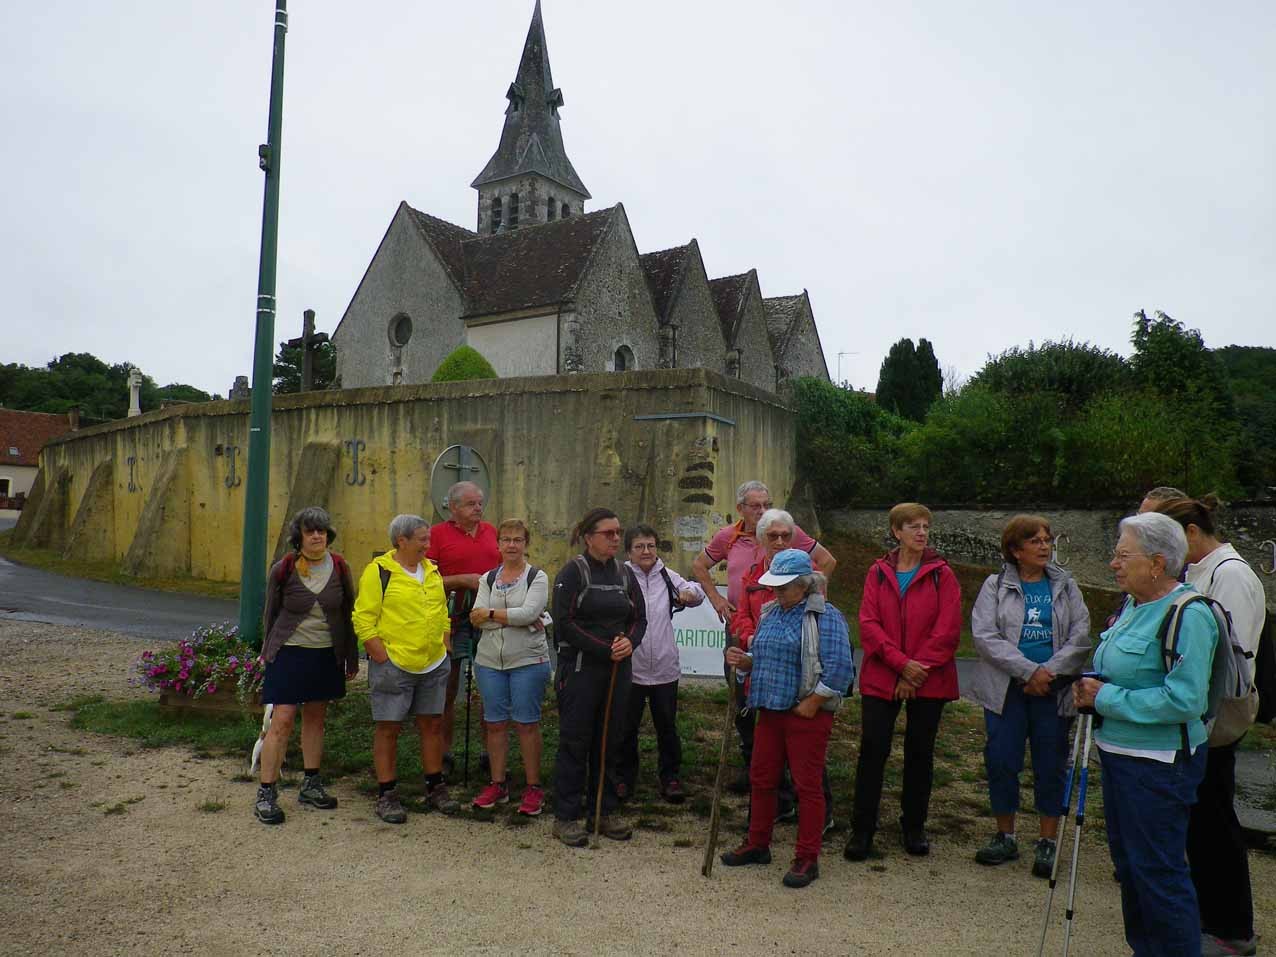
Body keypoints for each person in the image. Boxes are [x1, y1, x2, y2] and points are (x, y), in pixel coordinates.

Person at [1074, 512, 1219, 957]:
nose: (1113, 564)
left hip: (1158, 767)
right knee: (1132, 870)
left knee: (1158, 873)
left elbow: (1185, 700)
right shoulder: (1133, 606)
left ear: (1157, 562)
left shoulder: (1189, 614)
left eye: (1122, 554)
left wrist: (1105, 699)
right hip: (1119, 757)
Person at [1153, 496, 1266, 957]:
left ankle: (1232, 926)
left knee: (1215, 819)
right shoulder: (1203, 571)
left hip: (1214, 715)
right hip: (1199, 713)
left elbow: (1225, 653)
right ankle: (1208, 916)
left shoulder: (1231, 574)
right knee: (1201, 820)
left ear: (1192, 533)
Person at [720, 549, 853, 889]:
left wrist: (813, 702)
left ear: (805, 584)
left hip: (804, 713)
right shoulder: (771, 613)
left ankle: (807, 857)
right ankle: (757, 843)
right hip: (769, 710)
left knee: (806, 786)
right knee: (761, 778)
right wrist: (746, 661)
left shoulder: (826, 616)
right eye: (774, 586)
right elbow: (766, 657)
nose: (776, 592)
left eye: (784, 586)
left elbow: (840, 669)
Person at [691, 480, 836, 790]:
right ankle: (755, 768)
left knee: (784, 706)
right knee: (743, 702)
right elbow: (700, 565)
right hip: (744, 629)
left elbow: (827, 562)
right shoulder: (727, 537)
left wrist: (814, 603)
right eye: (755, 506)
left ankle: (791, 779)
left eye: (766, 504)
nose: (762, 510)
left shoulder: (785, 532)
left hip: (787, 634)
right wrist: (717, 600)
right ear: (740, 509)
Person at [968, 514, 1091, 877]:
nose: (1044, 546)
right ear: (1015, 549)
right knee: (1002, 760)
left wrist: (1046, 674)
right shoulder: (994, 586)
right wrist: (1027, 671)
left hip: (1052, 692)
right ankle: (1005, 835)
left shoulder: (1067, 587)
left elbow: (1081, 637)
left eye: (1047, 539)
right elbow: (985, 636)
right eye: (1035, 540)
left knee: (1050, 764)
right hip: (1007, 690)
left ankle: (1048, 841)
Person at [846, 502, 960, 861]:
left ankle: (914, 826)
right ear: (897, 531)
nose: (921, 532)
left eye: (926, 526)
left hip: (929, 676)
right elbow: (868, 625)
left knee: (920, 753)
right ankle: (862, 829)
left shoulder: (944, 574)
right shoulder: (877, 573)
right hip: (884, 673)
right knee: (873, 751)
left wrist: (916, 669)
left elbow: (948, 628)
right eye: (913, 526)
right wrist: (900, 665)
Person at [254, 507, 359, 825]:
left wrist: (350, 658)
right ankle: (267, 792)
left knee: (316, 718)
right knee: (282, 720)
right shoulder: (283, 569)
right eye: (311, 531)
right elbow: (270, 615)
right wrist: (266, 653)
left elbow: (347, 613)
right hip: (288, 653)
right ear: (298, 536)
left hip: (325, 654)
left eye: (322, 531)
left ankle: (311, 783)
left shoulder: (340, 567)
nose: (317, 536)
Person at [353, 514, 459, 823]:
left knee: (432, 725)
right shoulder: (380, 572)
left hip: (433, 662)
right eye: (423, 539)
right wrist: (380, 654)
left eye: (428, 539)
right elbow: (363, 617)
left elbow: (442, 611)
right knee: (388, 728)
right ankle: (387, 793)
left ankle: (435, 787)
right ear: (402, 541)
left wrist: (446, 640)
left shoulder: (432, 571)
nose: (428, 544)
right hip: (395, 663)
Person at [732, 508, 834, 828]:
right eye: (773, 535)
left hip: (801, 694)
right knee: (764, 762)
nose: (779, 540)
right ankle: (772, 816)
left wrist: (814, 700)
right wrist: (751, 642)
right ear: (761, 539)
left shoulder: (809, 578)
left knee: (807, 766)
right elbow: (743, 614)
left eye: (785, 535)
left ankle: (817, 823)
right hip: (764, 682)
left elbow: (834, 660)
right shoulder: (753, 575)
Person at [550, 507, 647, 847]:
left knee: (610, 740)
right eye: (609, 533)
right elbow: (565, 623)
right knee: (576, 742)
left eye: (618, 532)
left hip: (618, 670)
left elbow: (639, 618)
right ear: (589, 537)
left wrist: (628, 643)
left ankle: (603, 810)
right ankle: (566, 815)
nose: (616, 539)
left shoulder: (625, 574)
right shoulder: (572, 573)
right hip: (579, 670)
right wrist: (605, 648)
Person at [468, 519, 552, 817]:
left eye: (518, 540)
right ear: (498, 544)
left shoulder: (537, 577)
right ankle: (498, 784)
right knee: (495, 724)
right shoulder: (487, 579)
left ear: (526, 544)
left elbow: (529, 612)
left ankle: (533, 788)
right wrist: (511, 616)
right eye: (506, 540)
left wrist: (492, 614)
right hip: (489, 661)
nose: (512, 545)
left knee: (527, 724)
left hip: (528, 661)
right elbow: (475, 617)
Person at [618, 524, 704, 803]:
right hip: (630, 666)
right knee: (626, 727)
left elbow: (694, 590)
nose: (646, 551)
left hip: (665, 666)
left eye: (651, 546)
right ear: (629, 551)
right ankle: (624, 778)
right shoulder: (619, 576)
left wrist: (691, 593)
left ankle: (671, 778)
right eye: (639, 546)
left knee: (667, 726)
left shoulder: (667, 575)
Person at [427, 481, 501, 779]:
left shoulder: (492, 532)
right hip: (451, 618)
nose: (478, 509)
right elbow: (428, 580)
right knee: (447, 686)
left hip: (487, 619)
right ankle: (444, 753)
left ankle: (489, 752)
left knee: (490, 686)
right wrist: (463, 580)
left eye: (480, 503)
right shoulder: (436, 535)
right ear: (453, 507)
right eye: (471, 504)